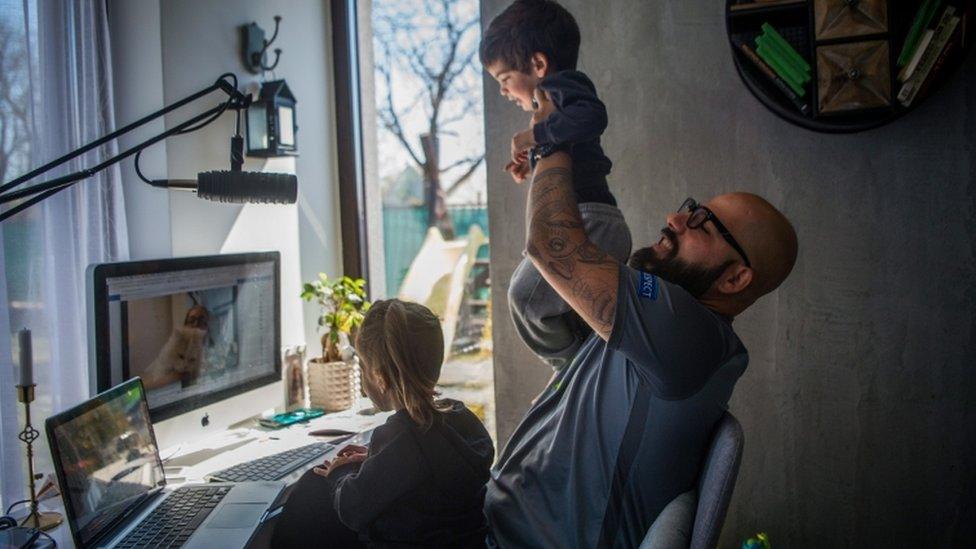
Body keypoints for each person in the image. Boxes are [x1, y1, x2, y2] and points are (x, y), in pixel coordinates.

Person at [483, 89, 799, 547]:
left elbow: (554, 246)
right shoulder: (669, 331)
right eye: (692, 209)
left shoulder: (689, 333)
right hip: (496, 518)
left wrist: (551, 137)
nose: (675, 218)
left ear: (735, 279)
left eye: (702, 224)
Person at [481, 0, 633, 369]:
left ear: (538, 64)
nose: (503, 92)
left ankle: (573, 372)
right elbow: (566, 152)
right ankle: (585, 369)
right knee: (567, 311)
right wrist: (532, 163)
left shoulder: (562, 85)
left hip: (591, 217)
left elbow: (591, 117)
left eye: (504, 80)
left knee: (526, 297)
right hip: (590, 217)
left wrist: (535, 135)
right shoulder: (551, 105)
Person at [272, 299, 494, 548]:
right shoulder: (462, 419)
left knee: (313, 487)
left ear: (379, 378)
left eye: (363, 367)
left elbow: (352, 508)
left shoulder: (400, 437)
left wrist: (340, 472)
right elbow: (430, 465)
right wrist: (376, 459)